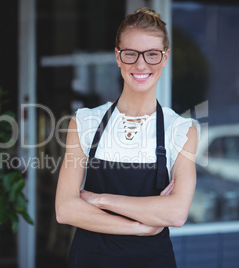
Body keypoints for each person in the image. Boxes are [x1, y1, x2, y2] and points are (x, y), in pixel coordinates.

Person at [55, 7, 200, 268]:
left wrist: (99, 199)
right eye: (130, 54)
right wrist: (141, 226)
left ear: (165, 58)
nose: (141, 64)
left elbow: (176, 213)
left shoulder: (181, 130)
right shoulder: (85, 122)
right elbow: (65, 209)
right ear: (118, 57)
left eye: (152, 54)